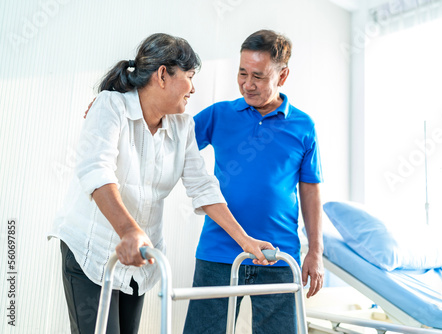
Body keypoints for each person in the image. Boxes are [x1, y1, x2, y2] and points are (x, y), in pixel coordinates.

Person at [48, 33, 274, 334]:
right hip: (93, 251)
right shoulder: (111, 107)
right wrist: (129, 231)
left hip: (139, 258)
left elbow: (203, 187)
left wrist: (246, 242)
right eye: (190, 76)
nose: (193, 88)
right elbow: (97, 173)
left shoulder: (183, 126)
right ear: (163, 75)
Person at [183, 29, 324, 334]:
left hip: (279, 256)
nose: (247, 84)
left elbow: (310, 190)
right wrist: (119, 108)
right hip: (219, 251)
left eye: (258, 76)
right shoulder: (220, 115)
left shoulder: (303, 126)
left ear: (282, 76)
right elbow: (170, 139)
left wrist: (315, 251)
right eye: (242, 73)